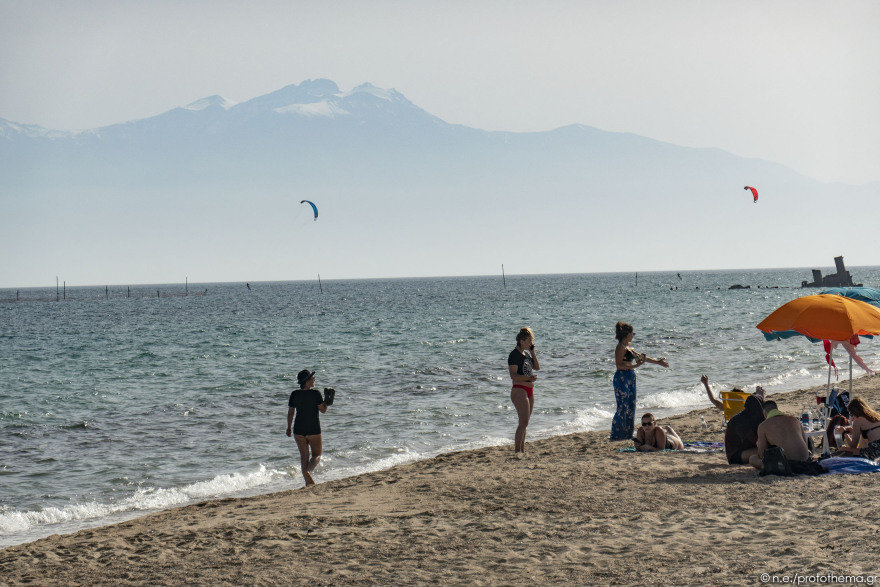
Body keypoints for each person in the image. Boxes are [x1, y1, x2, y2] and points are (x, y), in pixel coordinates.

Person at [610, 321, 669, 441]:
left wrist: (658, 362)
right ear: (627, 334)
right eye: (633, 334)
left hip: (630, 377)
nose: (633, 336)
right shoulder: (620, 347)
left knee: (631, 406)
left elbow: (642, 358)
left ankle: (627, 434)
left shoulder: (629, 347)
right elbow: (619, 366)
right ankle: (617, 434)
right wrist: (635, 366)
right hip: (622, 377)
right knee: (622, 407)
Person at [286, 369, 330, 486]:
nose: (314, 380)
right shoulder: (315, 393)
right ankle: (308, 472)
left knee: (304, 457)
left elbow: (291, 412)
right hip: (313, 429)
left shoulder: (294, 394)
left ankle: (307, 482)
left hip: (298, 429)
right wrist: (326, 401)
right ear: (307, 381)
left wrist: (288, 428)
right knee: (317, 455)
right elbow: (323, 410)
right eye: (312, 378)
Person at [748, 401, 810, 471]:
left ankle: (768, 467)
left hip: (786, 464)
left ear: (764, 413)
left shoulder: (763, 425)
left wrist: (758, 445)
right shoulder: (795, 420)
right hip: (805, 460)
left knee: (752, 458)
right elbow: (805, 443)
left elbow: (762, 455)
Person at [508, 327, 540, 456]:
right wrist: (528, 378)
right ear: (521, 341)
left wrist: (532, 352)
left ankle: (522, 450)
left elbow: (537, 367)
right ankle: (517, 451)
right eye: (529, 341)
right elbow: (513, 376)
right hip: (519, 389)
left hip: (529, 389)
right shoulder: (514, 355)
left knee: (525, 422)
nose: (531, 343)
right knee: (523, 422)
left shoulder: (526, 354)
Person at [724, 394, 765, 465]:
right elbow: (753, 440)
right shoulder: (739, 421)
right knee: (766, 451)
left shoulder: (752, 417)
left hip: (748, 450)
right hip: (735, 456)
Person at [700, 375, 765, 411]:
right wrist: (761, 396)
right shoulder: (748, 408)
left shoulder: (728, 409)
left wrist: (706, 384)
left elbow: (713, 400)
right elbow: (761, 407)